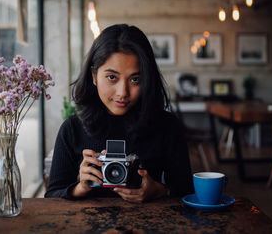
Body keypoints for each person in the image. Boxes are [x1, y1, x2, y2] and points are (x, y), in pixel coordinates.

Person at [45, 24, 193, 202]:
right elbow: (52, 196)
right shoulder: (72, 129)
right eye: (112, 77)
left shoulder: (167, 126)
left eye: (135, 79)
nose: (123, 92)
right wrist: (80, 187)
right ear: (93, 75)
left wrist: (160, 190)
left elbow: (187, 192)